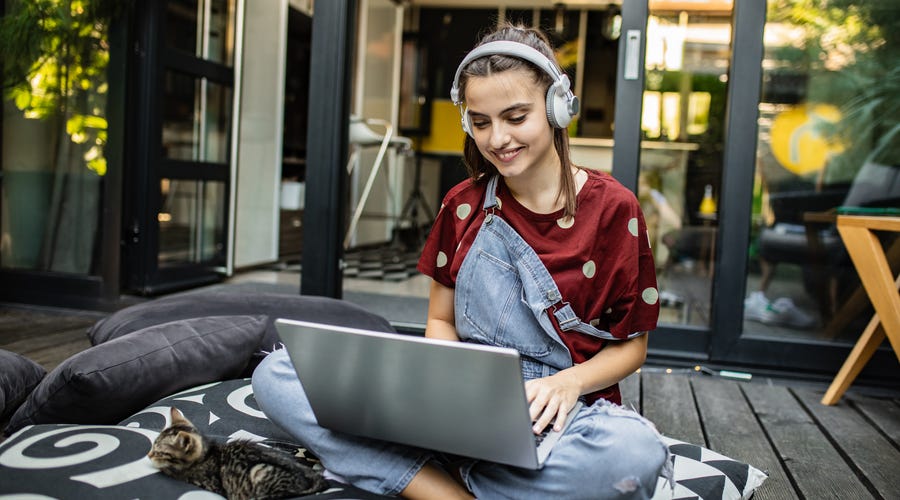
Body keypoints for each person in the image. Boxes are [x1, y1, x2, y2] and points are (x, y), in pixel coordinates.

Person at [252, 24, 671, 499]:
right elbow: (439, 319)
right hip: (462, 396)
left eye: (516, 117)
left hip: (562, 415)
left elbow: (632, 347)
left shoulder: (615, 209)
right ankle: (446, 487)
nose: (498, 139)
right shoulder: (463, 204)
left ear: (557, 108)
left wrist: (569, 383)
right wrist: (448, 391)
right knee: (277, 375)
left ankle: (422, 474)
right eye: (481, 121)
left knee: (633, 456)